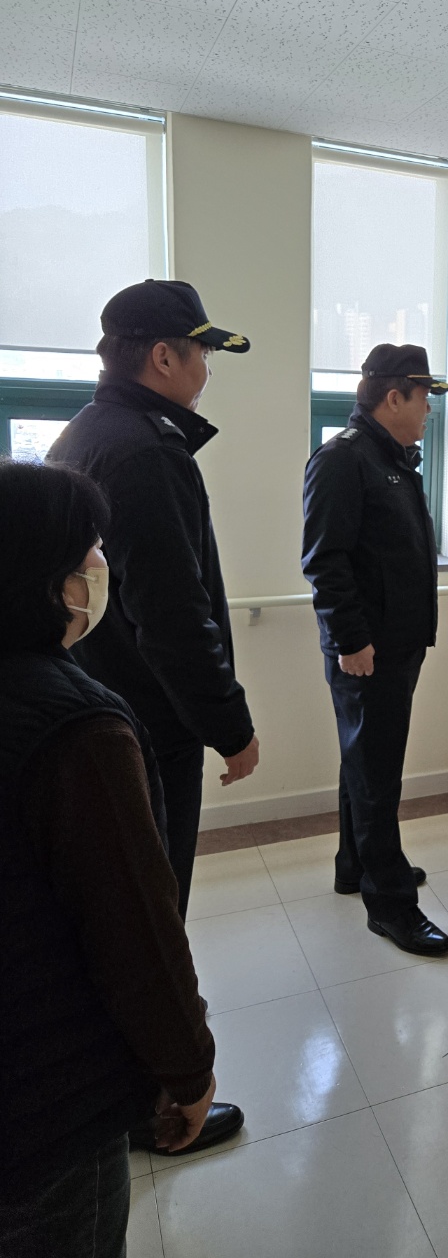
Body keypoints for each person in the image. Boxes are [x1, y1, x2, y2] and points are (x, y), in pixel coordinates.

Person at [49, 277, 255, 1154]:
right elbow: (173, 615)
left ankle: (125, 1090)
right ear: (164, 356)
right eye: (202, 351)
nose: (207, 368)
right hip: (144, 728)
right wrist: (230, 724)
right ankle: (159, 1104)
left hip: (97, 712)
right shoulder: (144, 453)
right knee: (150, 918)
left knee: (115, 914)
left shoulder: (93, 432)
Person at [0, 460, 220, 1258]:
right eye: (89, 549)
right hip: (51, 1110)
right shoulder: (81, 730)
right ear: (50, 579)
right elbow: (135, 930)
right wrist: (188, 1071)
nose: (101, 565)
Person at [302, 343, 448, 957]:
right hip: (368, 650)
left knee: (363, 761)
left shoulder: (390, 458)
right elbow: (325, 560)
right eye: (424, 399)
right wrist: (351, 640)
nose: (429, 411)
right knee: (377, 773)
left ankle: (356, 864)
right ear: (394, 397)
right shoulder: (344, 459)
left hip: (394, 644)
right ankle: (391, 904)